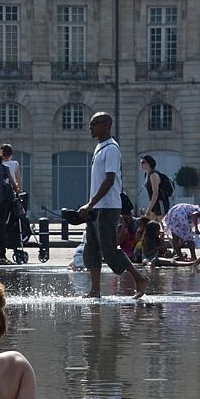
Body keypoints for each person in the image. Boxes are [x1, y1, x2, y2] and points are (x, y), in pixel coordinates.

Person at [78, 112, 149, 298]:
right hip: (97, 207)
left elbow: (110, 180)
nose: (90, 127)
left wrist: (90, 203)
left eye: (94, 123)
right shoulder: (99, 147)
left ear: (106, 125)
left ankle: (140, 278)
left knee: (109, 249)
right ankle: (95, 290)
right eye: (90, 123)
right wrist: (91, 205)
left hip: (108, 207)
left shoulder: (111, 149)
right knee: (90, 247)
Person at [140, 155, 170, 221]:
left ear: (148, 163)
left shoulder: (153, 175)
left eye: (143, 162)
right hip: (154, 203)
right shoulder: (147, 175)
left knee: (164, 225)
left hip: (160, 203)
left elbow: (155, 193)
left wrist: (149, 209)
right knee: (150, 225)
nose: (141, 164)